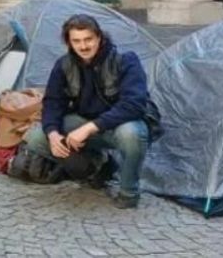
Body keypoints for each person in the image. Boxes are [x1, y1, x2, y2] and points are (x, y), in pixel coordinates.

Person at [23, 14, 153, 209]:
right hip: (83, 123)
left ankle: (129, 192)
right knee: (35, 137)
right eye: (76, 41)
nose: (83, 46)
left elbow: (134, 105)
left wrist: (89, 128)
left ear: (99, 37)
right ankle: (98, 166)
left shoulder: (125, 60)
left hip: (118, 125)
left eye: (88, 39)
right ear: (69, 42)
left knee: (131, 134)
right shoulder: (64, 65)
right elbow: (52, 103)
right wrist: (52, 133)